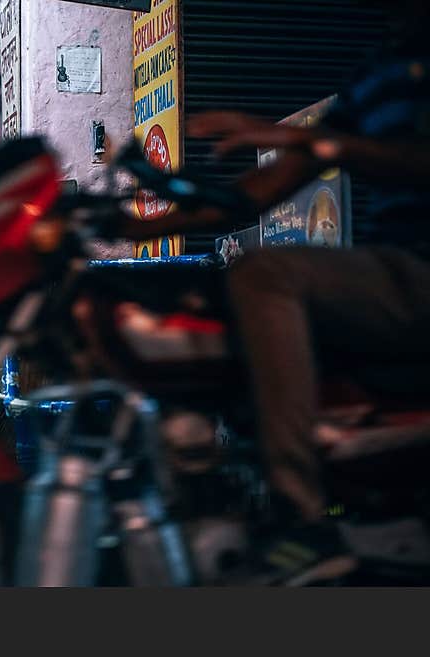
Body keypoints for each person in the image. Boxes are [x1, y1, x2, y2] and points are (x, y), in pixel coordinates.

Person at [118, 0, 430, 584]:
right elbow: (259, 190)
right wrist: (129, 226)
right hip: (394, 271)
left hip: (417, 268)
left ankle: (302, 518)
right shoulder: (378, 72)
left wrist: (326, 147)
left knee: (263, 274)